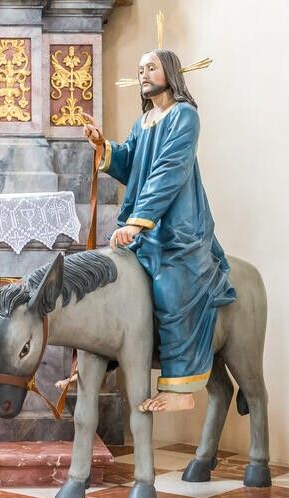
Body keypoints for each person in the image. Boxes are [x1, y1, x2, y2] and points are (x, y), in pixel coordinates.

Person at [82, 49, 236, 413]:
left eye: (151, 67)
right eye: (140, 69)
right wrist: (104, 147)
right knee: (112, 285)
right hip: (145, 227)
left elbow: (170, 169)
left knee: (169, 287)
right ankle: (96, 365)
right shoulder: (144, 122)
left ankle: (181, 388)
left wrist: (137, 222)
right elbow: (132, 163)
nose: (143, 74)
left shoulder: (185, 115)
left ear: (170, 72)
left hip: (178, 229)